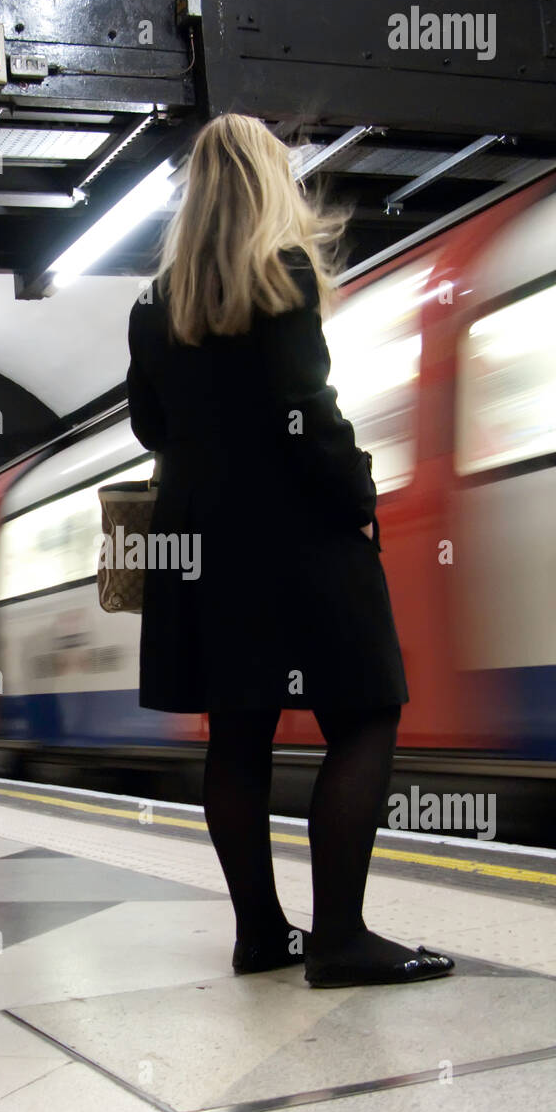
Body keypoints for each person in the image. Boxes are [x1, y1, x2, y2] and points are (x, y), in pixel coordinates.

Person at [126, 114, 454, 989]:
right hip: (295, 536)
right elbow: (307, 408)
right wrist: (357, 490)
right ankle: (339, 936)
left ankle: (262, 935)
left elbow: (151, 426)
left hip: (202, 545)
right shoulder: (285, 273)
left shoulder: (153, 305)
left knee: (238, 733)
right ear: (271, 182)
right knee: (366, 711)